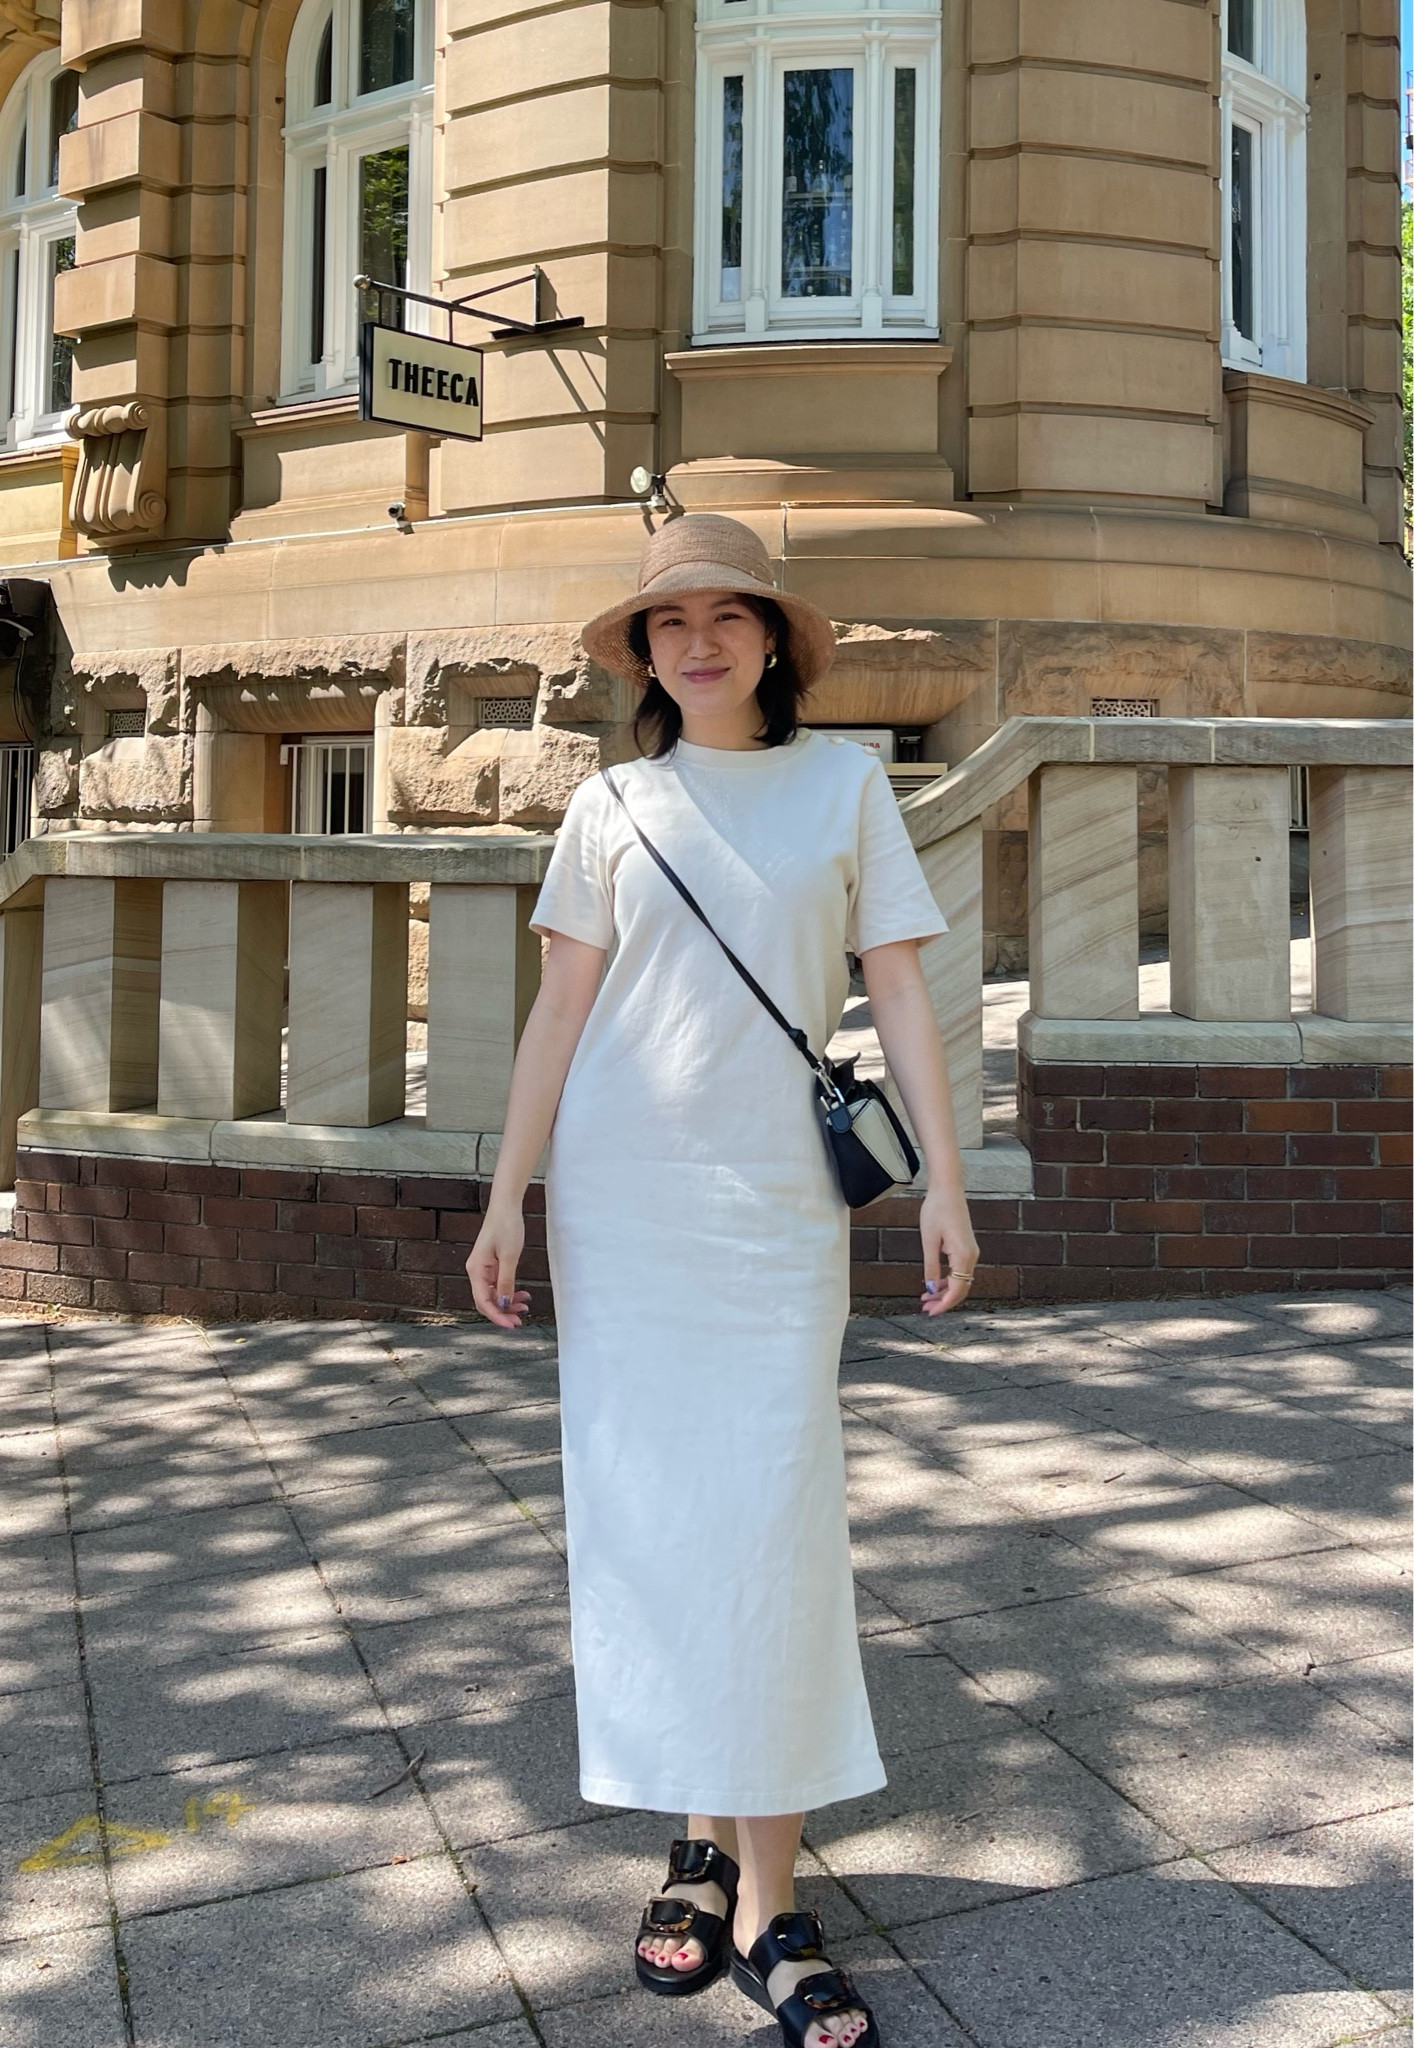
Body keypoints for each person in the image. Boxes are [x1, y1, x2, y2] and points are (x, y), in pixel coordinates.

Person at [466, 513, 978, 2048]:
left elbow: (895, 984)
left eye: (723, 617)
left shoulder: (842, 784)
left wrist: (945, 1179)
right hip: (626, 1204)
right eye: (663, 623)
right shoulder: (612, 803)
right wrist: (506, 1198)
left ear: (771, 640)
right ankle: (698, 1854)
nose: (694, 641)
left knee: (767, 1519)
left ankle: (768, 1892)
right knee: (649, 1521)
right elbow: (560, 1015)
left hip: (769, 1217)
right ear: (641, 655)